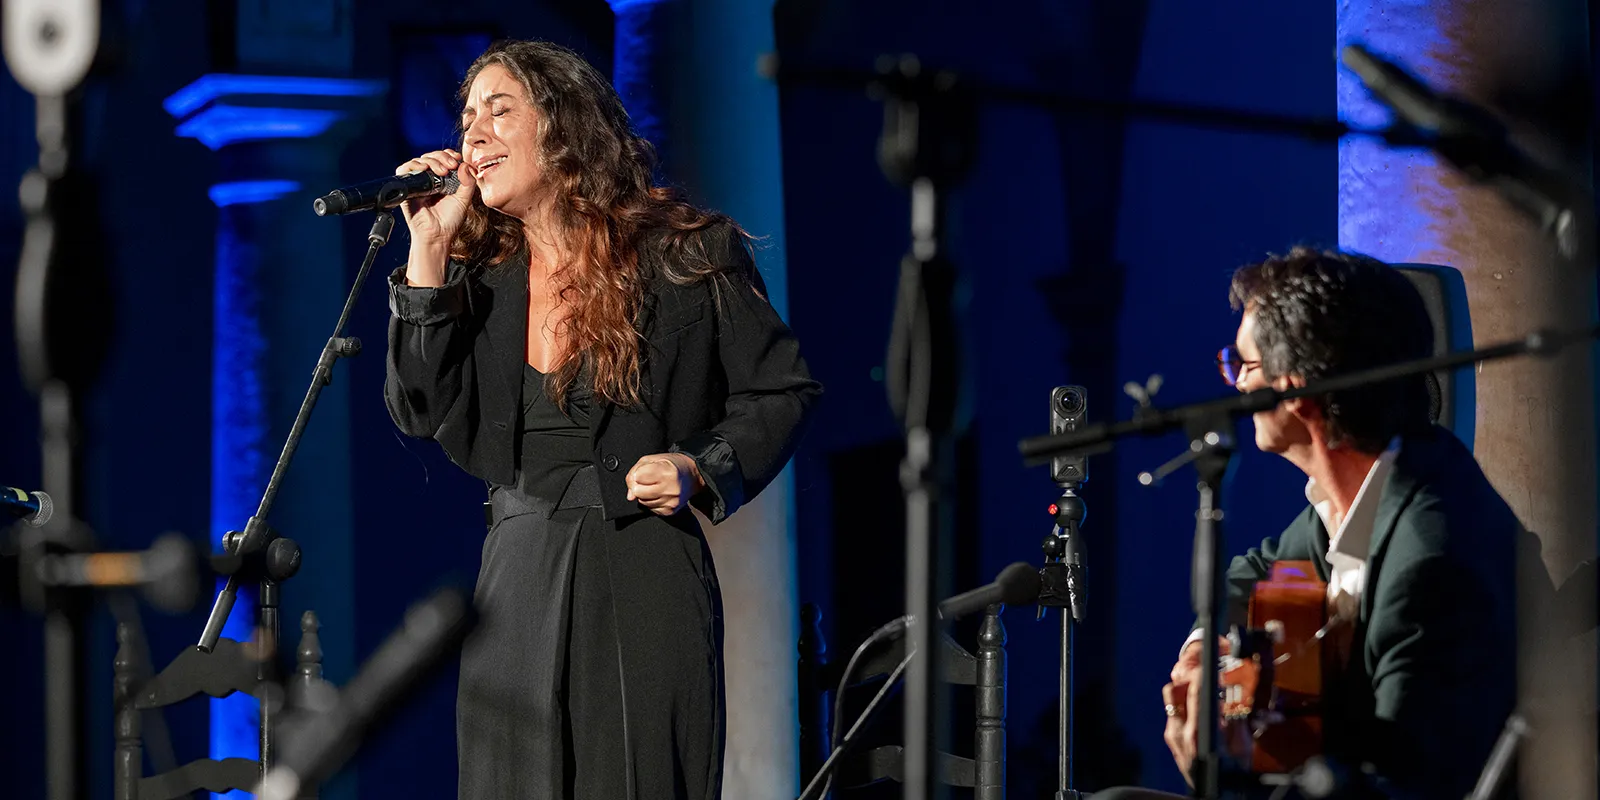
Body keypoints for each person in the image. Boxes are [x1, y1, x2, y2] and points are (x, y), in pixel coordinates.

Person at [384, 39, 821, 800]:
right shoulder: (478, 282)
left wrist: (700, 465)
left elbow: (782, 391)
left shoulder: (686, 253)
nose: (473, 134)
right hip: (516, 577)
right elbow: (419, 409)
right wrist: (427, 253)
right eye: (466, 118)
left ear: (563, 126)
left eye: (500, 109)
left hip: (644, 569)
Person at [1099, 248, 1544, 799]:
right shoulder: (1359, 494)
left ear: (1296, 387)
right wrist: (1203, 650)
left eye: (1244, 365)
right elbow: (1257, 569)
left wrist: (1229, 780)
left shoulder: (1433, 563)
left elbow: (1401, 785)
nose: (1235, 385)